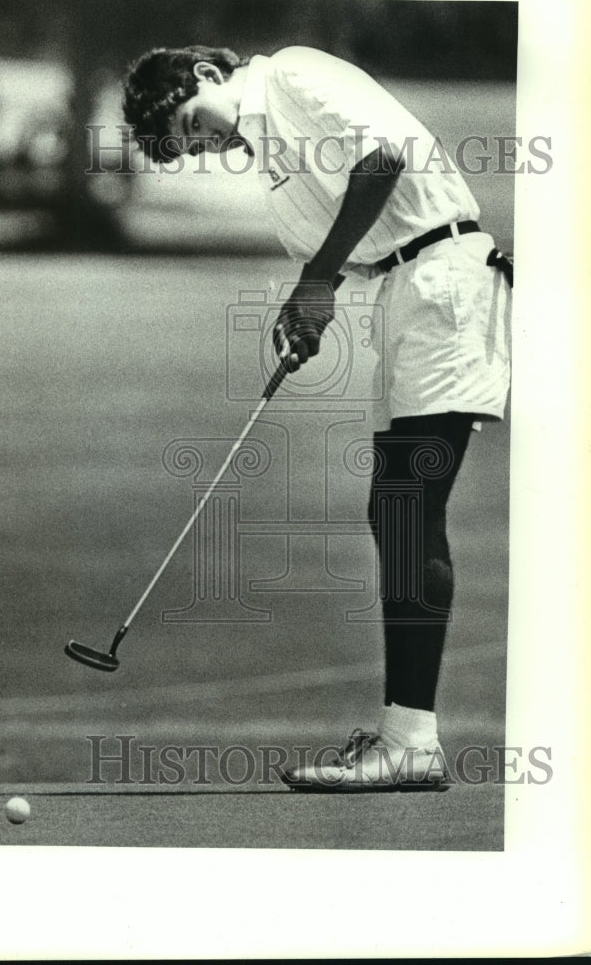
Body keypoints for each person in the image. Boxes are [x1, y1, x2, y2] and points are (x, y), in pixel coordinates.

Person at [122, 45, 512, 791]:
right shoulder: (271, 159)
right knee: (396, 510)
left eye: (191, 125)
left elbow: (383, 157)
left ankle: (411, 742)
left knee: (407, 507)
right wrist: (310, 310)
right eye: (189, 148)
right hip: (407, 296)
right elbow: (346, 255)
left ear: (204, 76)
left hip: (447, 284)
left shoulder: (290, 74)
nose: (204, 145)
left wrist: (317, 280)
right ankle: (409, 738)